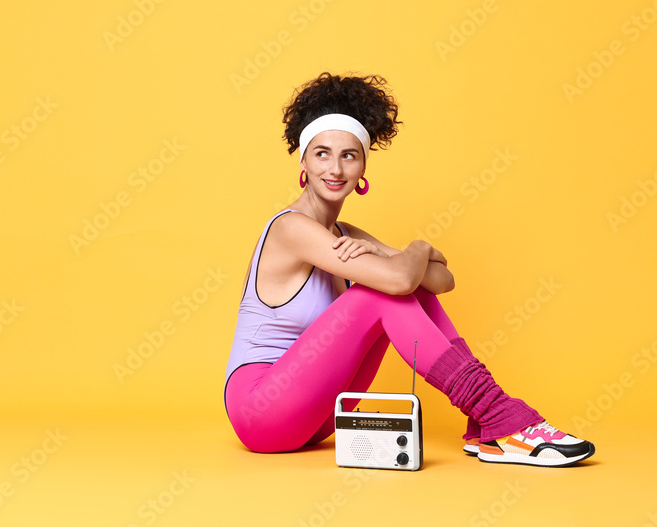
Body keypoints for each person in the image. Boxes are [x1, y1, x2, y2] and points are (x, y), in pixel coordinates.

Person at [222, 72, 594, 467]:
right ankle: (498, 414)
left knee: (396, 288)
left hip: (317, 417)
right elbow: (402, 277)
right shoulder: (291, 227)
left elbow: (440, 282)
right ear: (304, 163)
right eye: (322, 153)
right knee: (379, 291)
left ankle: (489, 425)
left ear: (363, 167)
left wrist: (390, 253)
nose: (335, 168)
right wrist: (417, 247)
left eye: (349, 155)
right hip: (260, 410)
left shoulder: (346, 235)